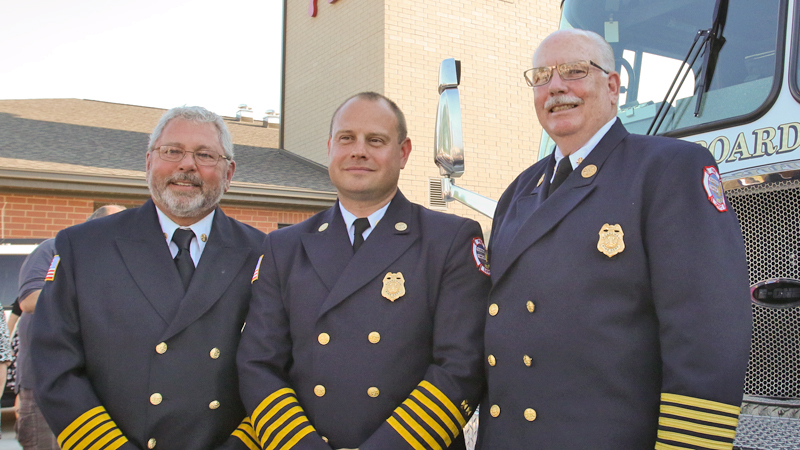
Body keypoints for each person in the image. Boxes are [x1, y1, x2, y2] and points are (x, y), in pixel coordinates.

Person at [478, 29, 752, 450]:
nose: (555, 87)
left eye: (574, 71)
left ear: (611, 87)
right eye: (542, 76)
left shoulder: (667, 169)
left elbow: (706, 334)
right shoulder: (519, 191)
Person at [237, 92, 490, 450]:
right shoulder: (284, 247)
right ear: (329, 148)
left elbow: (461, 365)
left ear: (403, 153)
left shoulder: (448, 240)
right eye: (346, 139)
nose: (359, 151)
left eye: (375, 140)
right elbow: (257, 364)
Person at [32, 106, 265, 450]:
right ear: (148, 162)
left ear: (228, 172)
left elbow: (278, 367)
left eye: (204, 155)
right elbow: (56, 366)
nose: (187, 165)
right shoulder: (84, 247)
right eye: (172, 151)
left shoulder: (264, 254)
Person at [15, 205, 125, 450]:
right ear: (93, 227)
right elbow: (29, 300)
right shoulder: (54, 248)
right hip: (49, 384)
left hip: (99, 386)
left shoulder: (122, 262)